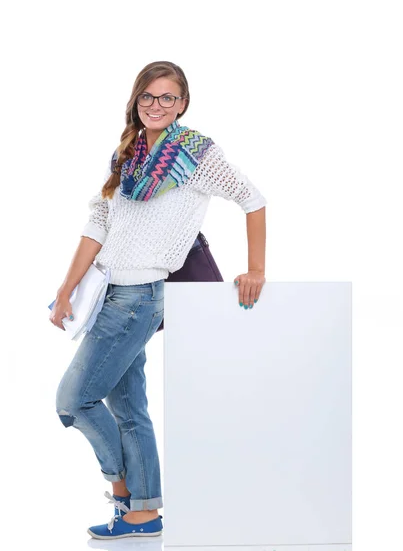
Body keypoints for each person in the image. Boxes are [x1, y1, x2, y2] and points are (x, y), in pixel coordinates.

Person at [50, 60, 267, 540]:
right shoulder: (125, 154)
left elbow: (253, 199)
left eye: (168, 97)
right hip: (107, 291)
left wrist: (256, 269)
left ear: (183, 103)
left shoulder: (197, 154)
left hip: (142, 297)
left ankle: (124, 492)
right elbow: (99, 223)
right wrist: (66, 289)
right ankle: (145, 517)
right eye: (148, 96)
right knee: (129, 409)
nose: (156, 105)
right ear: (135, 100)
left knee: (73, 400)